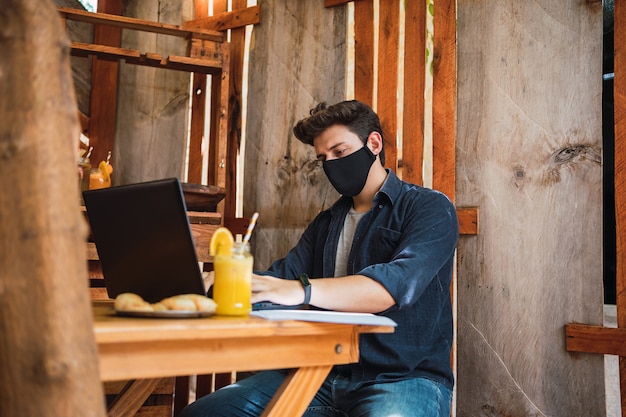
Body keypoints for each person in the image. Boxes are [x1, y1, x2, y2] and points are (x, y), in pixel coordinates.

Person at [180, 100, 459, 417]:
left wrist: (302, 290)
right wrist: (220, 283)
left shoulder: (428, 207)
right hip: (320, 372)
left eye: (340, 152)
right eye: (323, 159)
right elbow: (280, 279)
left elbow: (393, 287)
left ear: (374, 143)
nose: (332, 165)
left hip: (402, 378)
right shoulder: (326, 223)